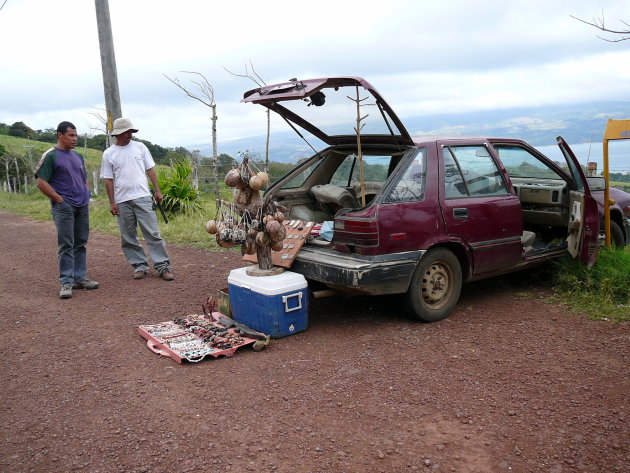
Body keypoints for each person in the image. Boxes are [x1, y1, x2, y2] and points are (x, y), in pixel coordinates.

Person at [100, 118, 175, 281]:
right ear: (118, 134)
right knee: (128, 236)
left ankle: (162, 266)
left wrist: (157, 190)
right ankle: (140, 266)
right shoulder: (109, 153)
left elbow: (150, 169)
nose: (130, 135)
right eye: (127, 132)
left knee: (153, 233)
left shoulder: (140, 147)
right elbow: (108, 179)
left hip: (142, 196)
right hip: (122, 200)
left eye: (131, 132)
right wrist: (112, 202)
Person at [34, 121, 100, 299]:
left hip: (81, 204)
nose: (75, 139)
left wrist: (86, 193)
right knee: (66, 244)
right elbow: (41, 182)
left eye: (76, 135)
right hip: (64, 206)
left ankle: (80, 279)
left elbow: (83, 176)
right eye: (71, 135)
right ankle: (66, 282)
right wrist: (58, 199)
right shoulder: (51, 155)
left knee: (80, 242)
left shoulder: (77, 155)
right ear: (60, 135)